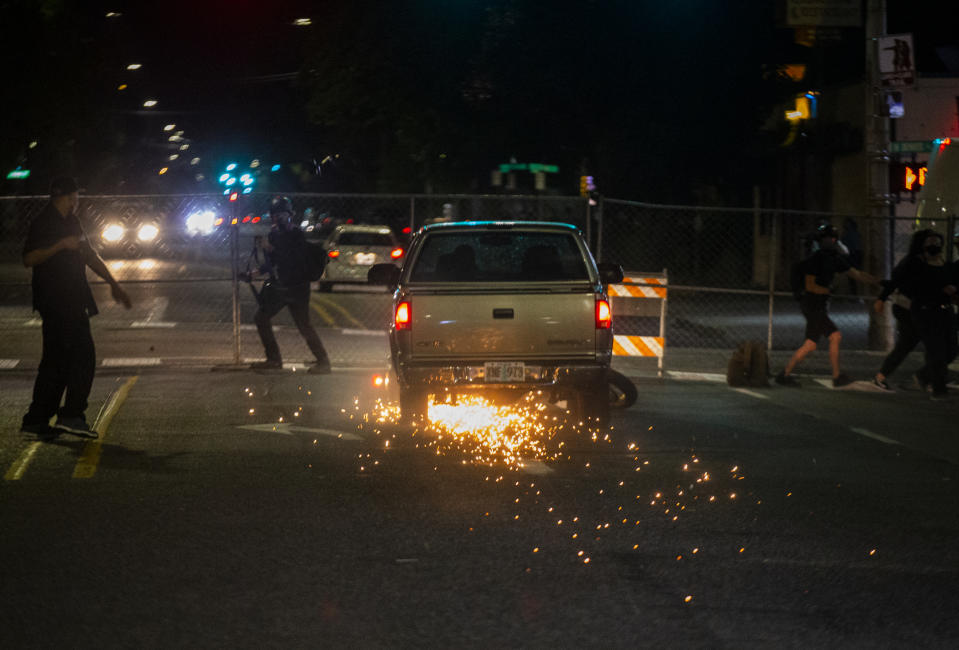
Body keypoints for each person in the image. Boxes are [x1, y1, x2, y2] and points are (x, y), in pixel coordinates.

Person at [20, 176, 132, 439]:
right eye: (76, 196)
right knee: (83, 357)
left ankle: (36, 419)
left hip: (73, 298)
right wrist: (59, 245)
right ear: (69, 197)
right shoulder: (43, 223)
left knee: (55, 362)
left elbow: (89, 255)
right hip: (57, 301)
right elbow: (28, 258)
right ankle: (71, 416)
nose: (77, 201)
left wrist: (114, 284)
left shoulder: (72, 222)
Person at [776, 223, 877, 388]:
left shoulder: (833, 258)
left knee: (810, 344)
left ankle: (784, 374)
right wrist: (826, 290)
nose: (830, 241)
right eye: (826, 238)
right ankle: (837, 377)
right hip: (813, 305)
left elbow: (856, 274)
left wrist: (878, 281)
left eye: (831, 238)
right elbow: (810, 286)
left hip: (817, 305)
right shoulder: (817, 259)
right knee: (835, 336)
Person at [248, 196, 331, 374]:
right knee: (262, 318)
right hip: (282, 286)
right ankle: (274, 359)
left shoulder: (296, 234)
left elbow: (293, 258)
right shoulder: (273, 234)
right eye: (275, 215)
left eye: (282, 214)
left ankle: (323, 362)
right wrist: (255, 273)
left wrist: (270, 248)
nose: (279, 218)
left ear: (290, 215)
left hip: (298, 287)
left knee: (303, 325)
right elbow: (274, 263)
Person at [888, 231, 957, 400]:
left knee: (951, 350)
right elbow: (914, 287)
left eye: (937, 242)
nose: (935, 246)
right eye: (931, 243)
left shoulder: (945, 265)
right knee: (937, 350)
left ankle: (923, 377)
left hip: (945, 310)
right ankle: (939, 390)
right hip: (926, 311)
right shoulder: (917, 265)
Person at [871, 229, 933, 391]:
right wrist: (881, 299)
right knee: (920, 342)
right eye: (930, 242)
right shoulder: (913, 261)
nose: (934, 245)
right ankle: (927, 377)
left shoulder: (923, 261)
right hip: (906, 308)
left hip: (912, 307)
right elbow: (895, 281)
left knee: (912, 343)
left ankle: (927, 376)